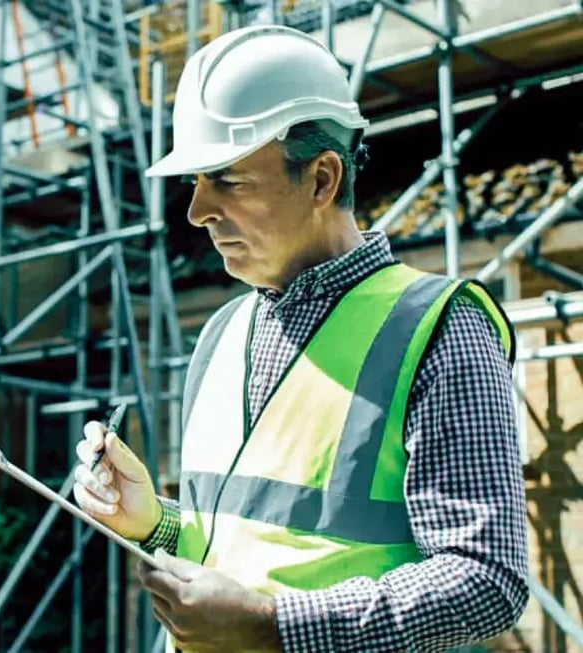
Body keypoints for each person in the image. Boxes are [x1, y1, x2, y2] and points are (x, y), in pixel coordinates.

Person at [73, 24, 529, 653]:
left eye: (227, 180)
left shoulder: (439, 329)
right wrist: (153, 520)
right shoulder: (222, 334)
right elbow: (245, 545)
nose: (196, 212)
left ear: (321, 179)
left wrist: (274, 626)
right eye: (194, 183)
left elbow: (486, 581)